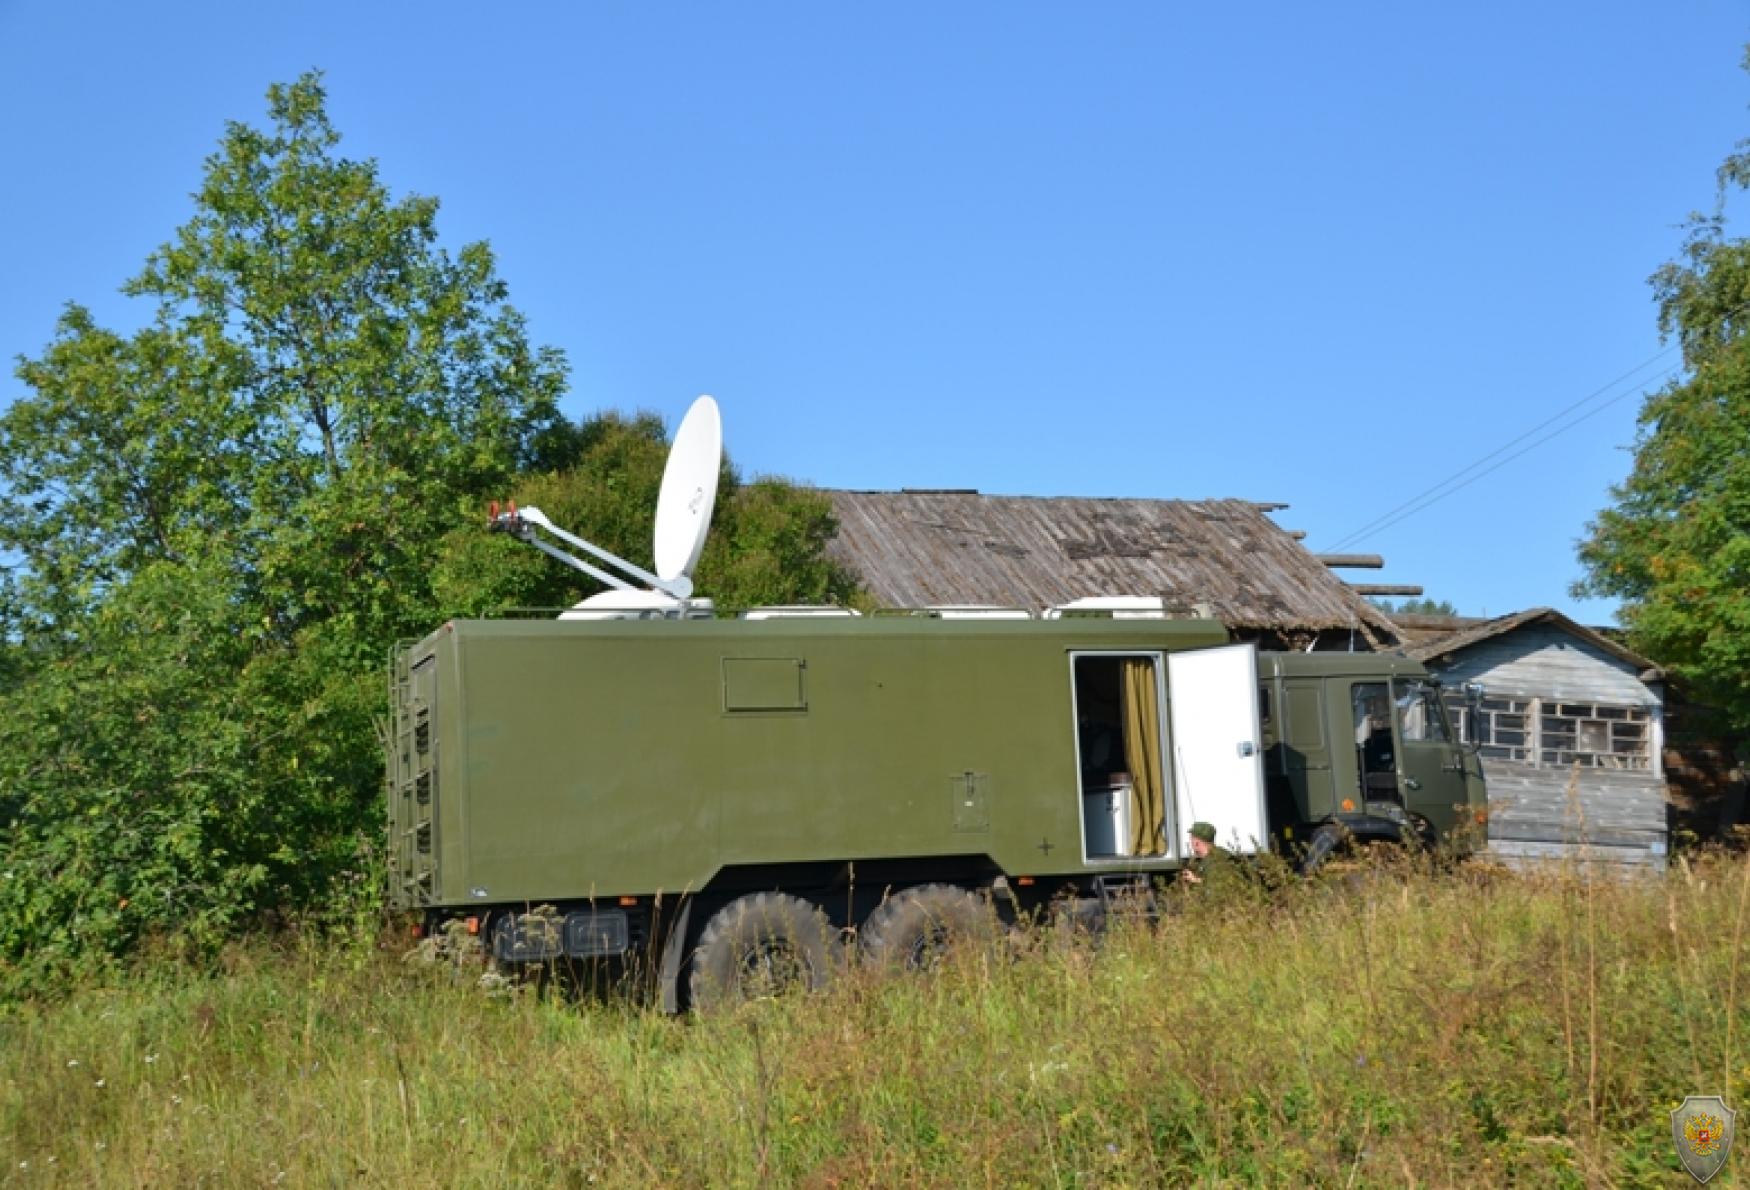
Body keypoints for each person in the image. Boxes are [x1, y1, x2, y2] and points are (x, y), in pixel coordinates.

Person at [1179, 821, 1231, 885]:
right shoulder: (1218, 854)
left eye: (1191, 839)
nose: (1191, 843)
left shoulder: (1215, 860)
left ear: (1196, 842)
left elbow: (1216, 887)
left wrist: (1195, 880)